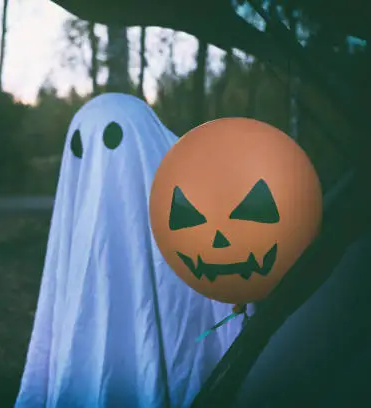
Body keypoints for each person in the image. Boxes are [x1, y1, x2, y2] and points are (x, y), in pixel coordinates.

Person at [15, 93, 243, 408]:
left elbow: (219, 307)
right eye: (81, 147)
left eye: (112, 139)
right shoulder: (76, 232)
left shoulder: (193, 216)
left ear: (144, 140)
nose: (99, 165)